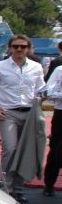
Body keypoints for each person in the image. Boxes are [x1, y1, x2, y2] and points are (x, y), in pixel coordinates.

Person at [0, 34, 45, 201]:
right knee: (10, 149)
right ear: (10, 48)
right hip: (8, 113)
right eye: (16, 46)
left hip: (29, 113)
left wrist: (41, 97)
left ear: (28, 49)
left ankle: (18, 188)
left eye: (23, 46)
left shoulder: (36, 67)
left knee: (25, 151)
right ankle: (6, 186)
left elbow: (40, 88)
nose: (19, 49)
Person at [41, 63, 62, 197]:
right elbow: (48, 92)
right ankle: (49, 184)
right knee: (57, 150)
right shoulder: (60, 70)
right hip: (61, 113)